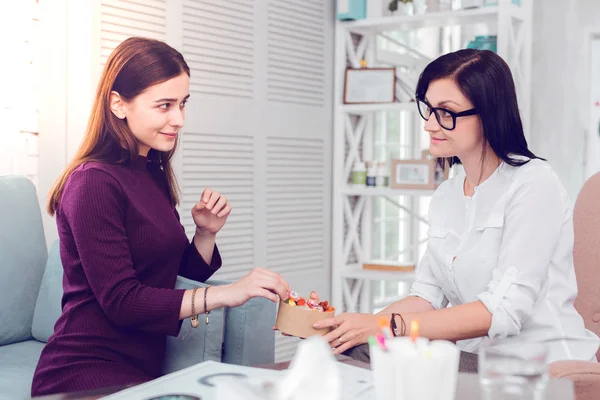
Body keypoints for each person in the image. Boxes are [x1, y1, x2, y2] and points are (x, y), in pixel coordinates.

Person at [31, 37, 290, 396]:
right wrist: (228, 293)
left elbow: (170, 280)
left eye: (182, 104)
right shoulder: (92, 182)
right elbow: (124, 302)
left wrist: (205, 235)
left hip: (142, 372)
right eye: (164, 105)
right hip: (84, 374)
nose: (179, 119)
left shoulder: (151, 171)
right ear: (119, 105)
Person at [316, 49, 599, 369]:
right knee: (348, 350)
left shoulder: (534, 184)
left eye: (446, 112)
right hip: (479, 357)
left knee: (370, 352)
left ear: (488, 115)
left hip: (542, 363)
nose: (430, 125)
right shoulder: (447, 195)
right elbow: (426, 297)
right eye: (428, 109)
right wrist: (353, 328)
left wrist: (386, 327)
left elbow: (502, 311)